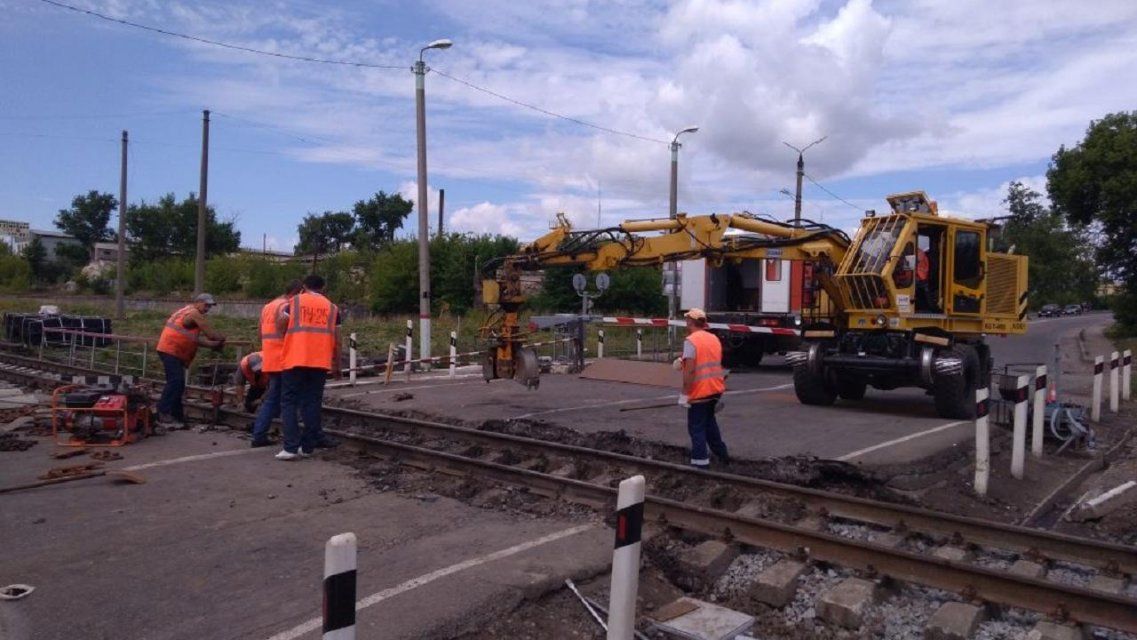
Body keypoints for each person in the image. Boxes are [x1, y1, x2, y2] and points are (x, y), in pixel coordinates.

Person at [275, 274, 341, 460]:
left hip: (295, 358)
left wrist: (286, 336)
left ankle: (290, 447)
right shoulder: (332, 308)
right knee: (312, 402)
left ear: (304, 286)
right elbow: (338, 339)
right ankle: (307, 447)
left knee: (289, 402)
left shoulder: (295, 302)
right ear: (323, 288)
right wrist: (336, 364)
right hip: (320, 361)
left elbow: (280, 324)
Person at [155, 293, 226, 428]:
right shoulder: (194, 313)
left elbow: (193, 339)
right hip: (171, 350)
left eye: (210, 306)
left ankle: (177, 415)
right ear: (197, 302)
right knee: (176, 381)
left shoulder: (186, 312)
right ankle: (163, 412)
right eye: (206, 305)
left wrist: (212, 345)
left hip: (171, 350)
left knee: (178, 384)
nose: (207, 309)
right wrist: (221, 339)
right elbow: (211, 334)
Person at [249, 280, 303, 448]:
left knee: (273, 397)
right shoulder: (287, 306)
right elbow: (287, 330)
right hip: (284, 357)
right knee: (286, 399)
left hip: (270, 357)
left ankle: (259, 434)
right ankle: (290, 438)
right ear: (297, 292)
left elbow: (260, 333)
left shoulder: (268, 306)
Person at [678, 308, 728, 469]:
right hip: (715, 389)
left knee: (696, 428)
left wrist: (685, 394)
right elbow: (706, 359)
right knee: (709, 424)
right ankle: (722, 456)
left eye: (687, 319)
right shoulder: (713, 338)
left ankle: (700, 464)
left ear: (690, 322)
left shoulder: (691, 341)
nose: (686, 322)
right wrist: (682, 360)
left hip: (700, 392)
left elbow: (690, 371)